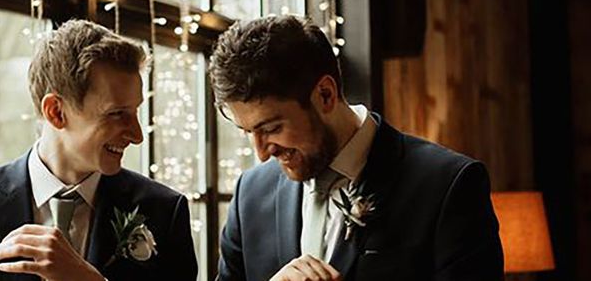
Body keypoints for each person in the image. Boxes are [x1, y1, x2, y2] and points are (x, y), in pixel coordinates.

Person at [208, 15, 504, 281]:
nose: (261, 153)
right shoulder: (251, 192)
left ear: (325, 94)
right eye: (247, 132)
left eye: (271, 128)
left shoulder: (448, 186)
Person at [0, 19, 198, 281]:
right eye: (117, 114)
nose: (137, 135)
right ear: (56, 112)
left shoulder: (164, 212)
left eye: (135, 112)